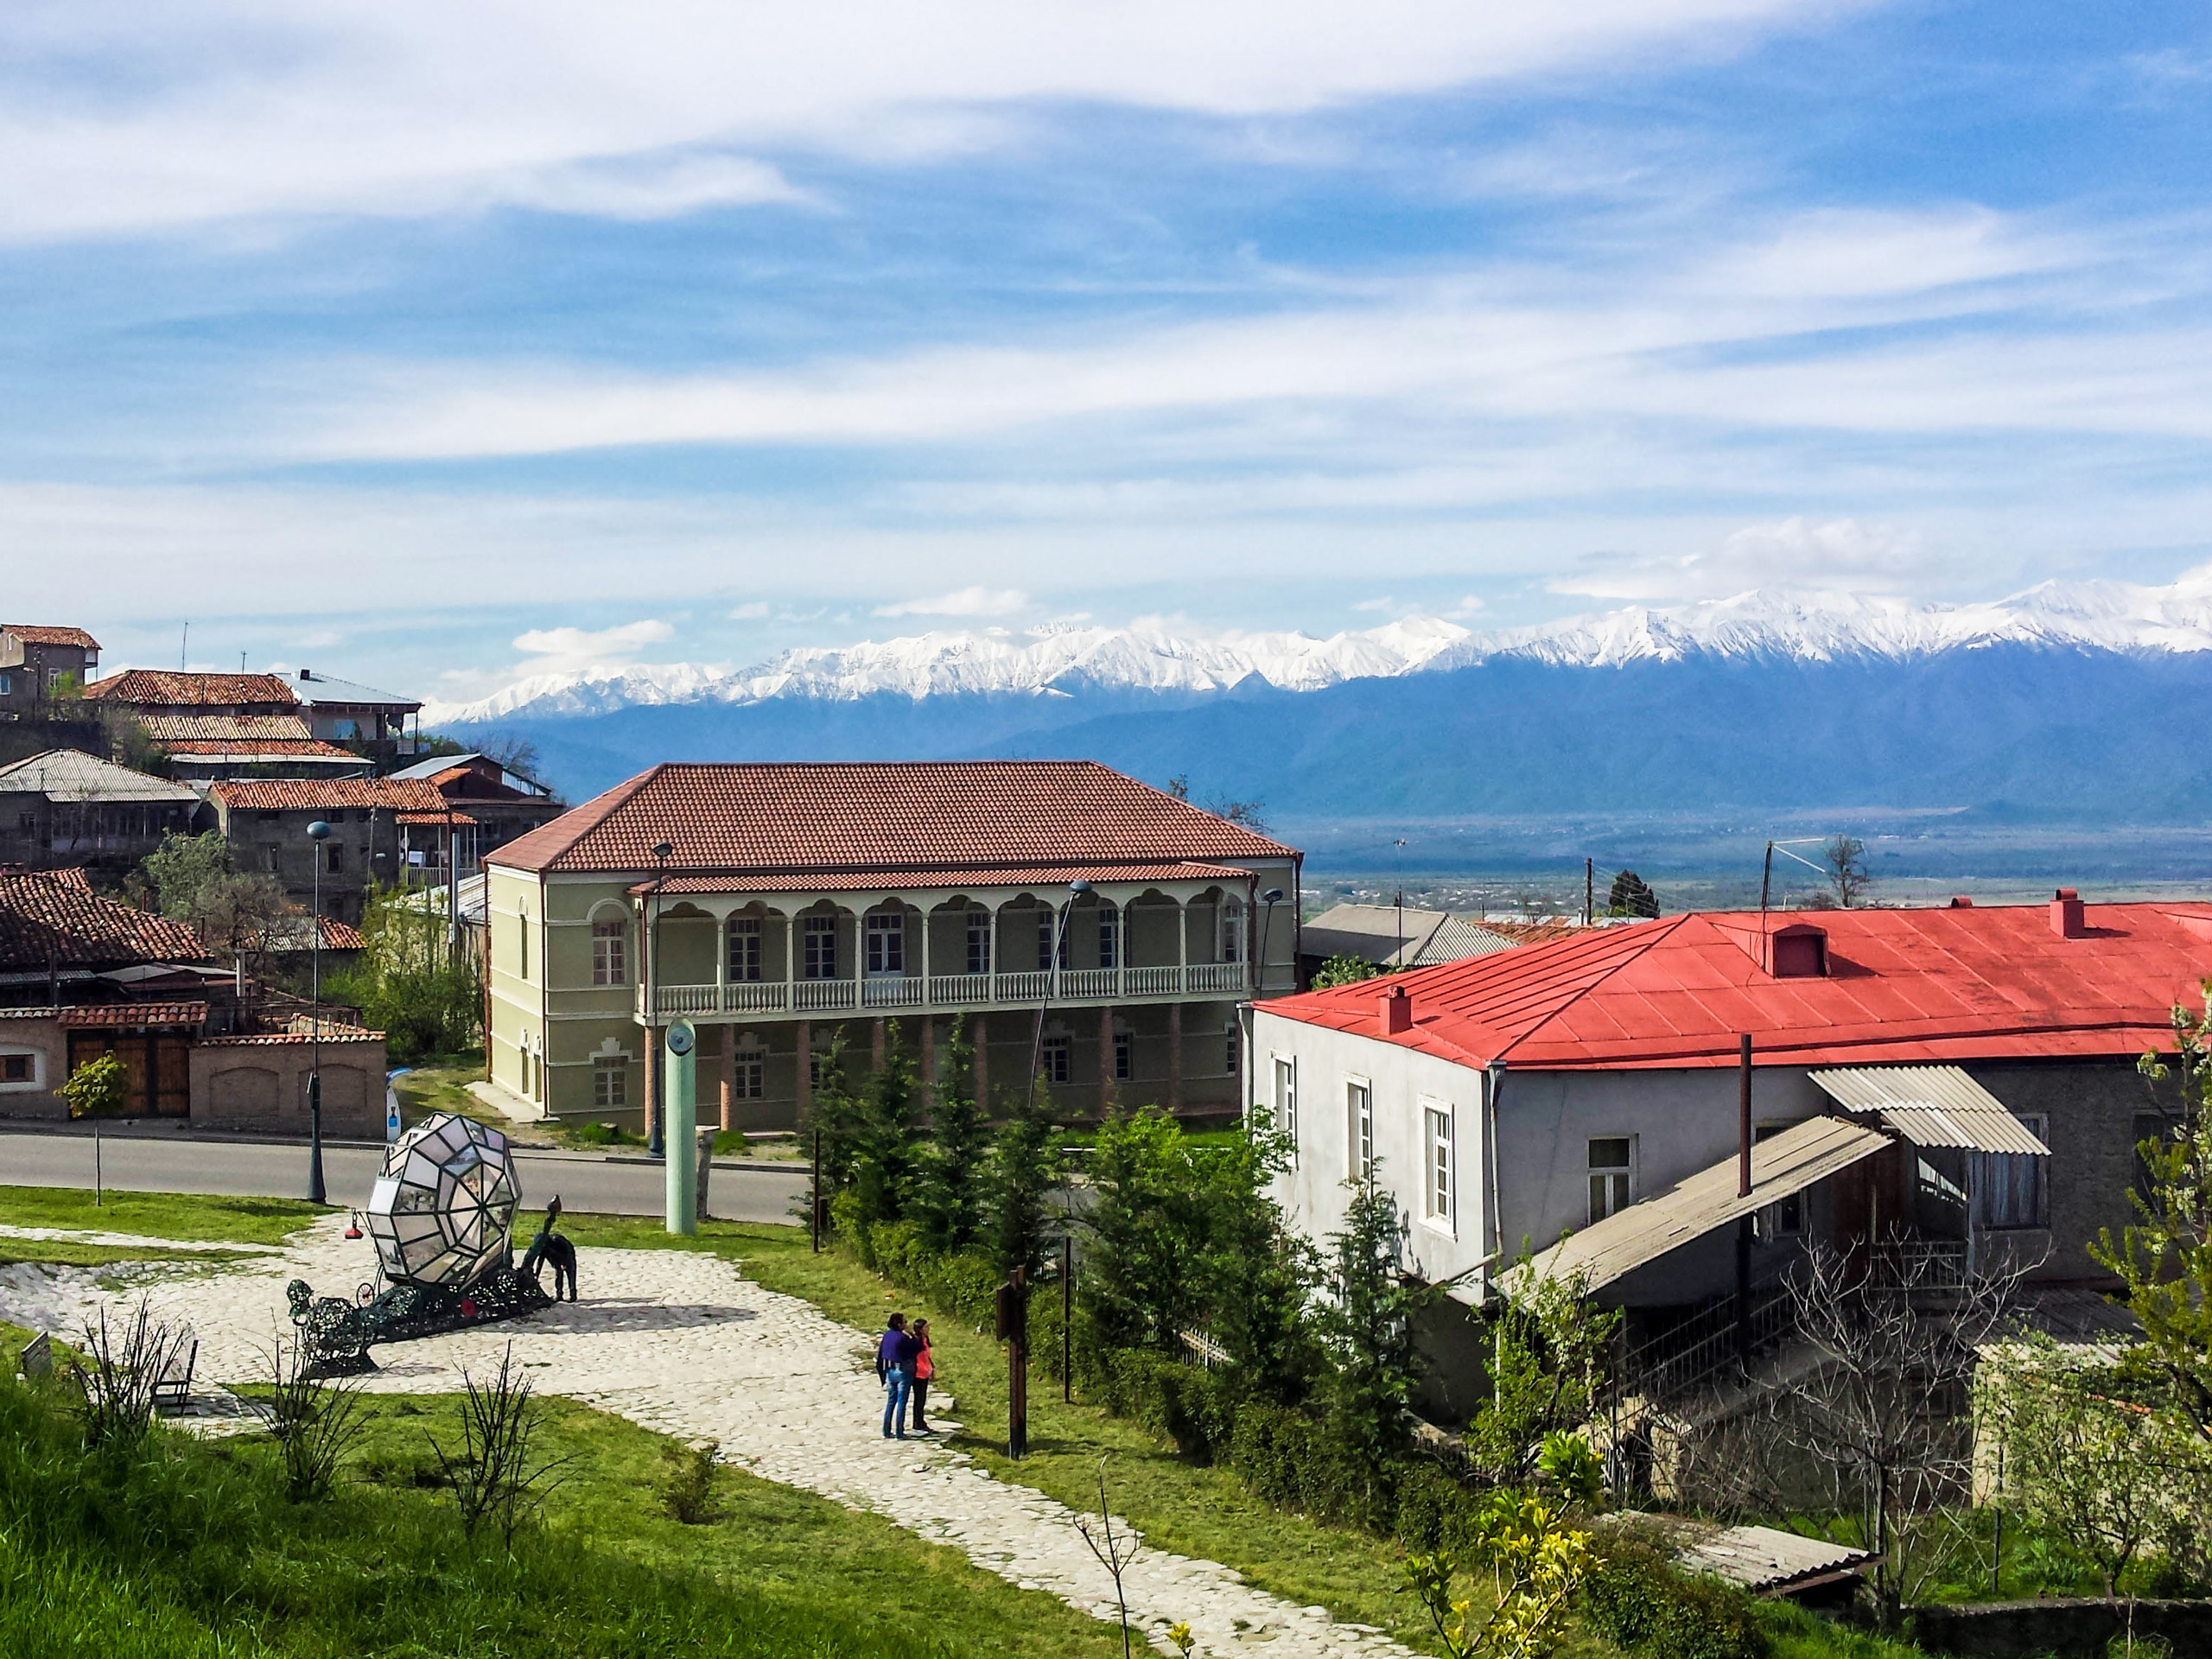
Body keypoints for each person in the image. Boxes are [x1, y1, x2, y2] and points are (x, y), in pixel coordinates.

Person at [877, 1312, 918, 1440]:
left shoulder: (887, 1335)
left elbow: (880, 1355)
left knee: (891, 1401)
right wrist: (912, 1334)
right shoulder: (903, 1338)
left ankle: (886, 1430)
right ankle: (899, 1431)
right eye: (905, 1322)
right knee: (901, 1402)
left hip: (890, 1370)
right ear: (900, 1324)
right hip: (903, 1372)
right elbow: (917, 1348)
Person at [908, 1318, 935, 1434]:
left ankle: (921, 1422)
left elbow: (927, 1356)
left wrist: (932, 1369)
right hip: (918, 1373)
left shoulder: (925, 1339)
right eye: (926, 1327)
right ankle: (917, 1424)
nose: (928, 1329)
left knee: (922, 1399)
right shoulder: (915, 1340)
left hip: (925, 1372)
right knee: (919, 1400)